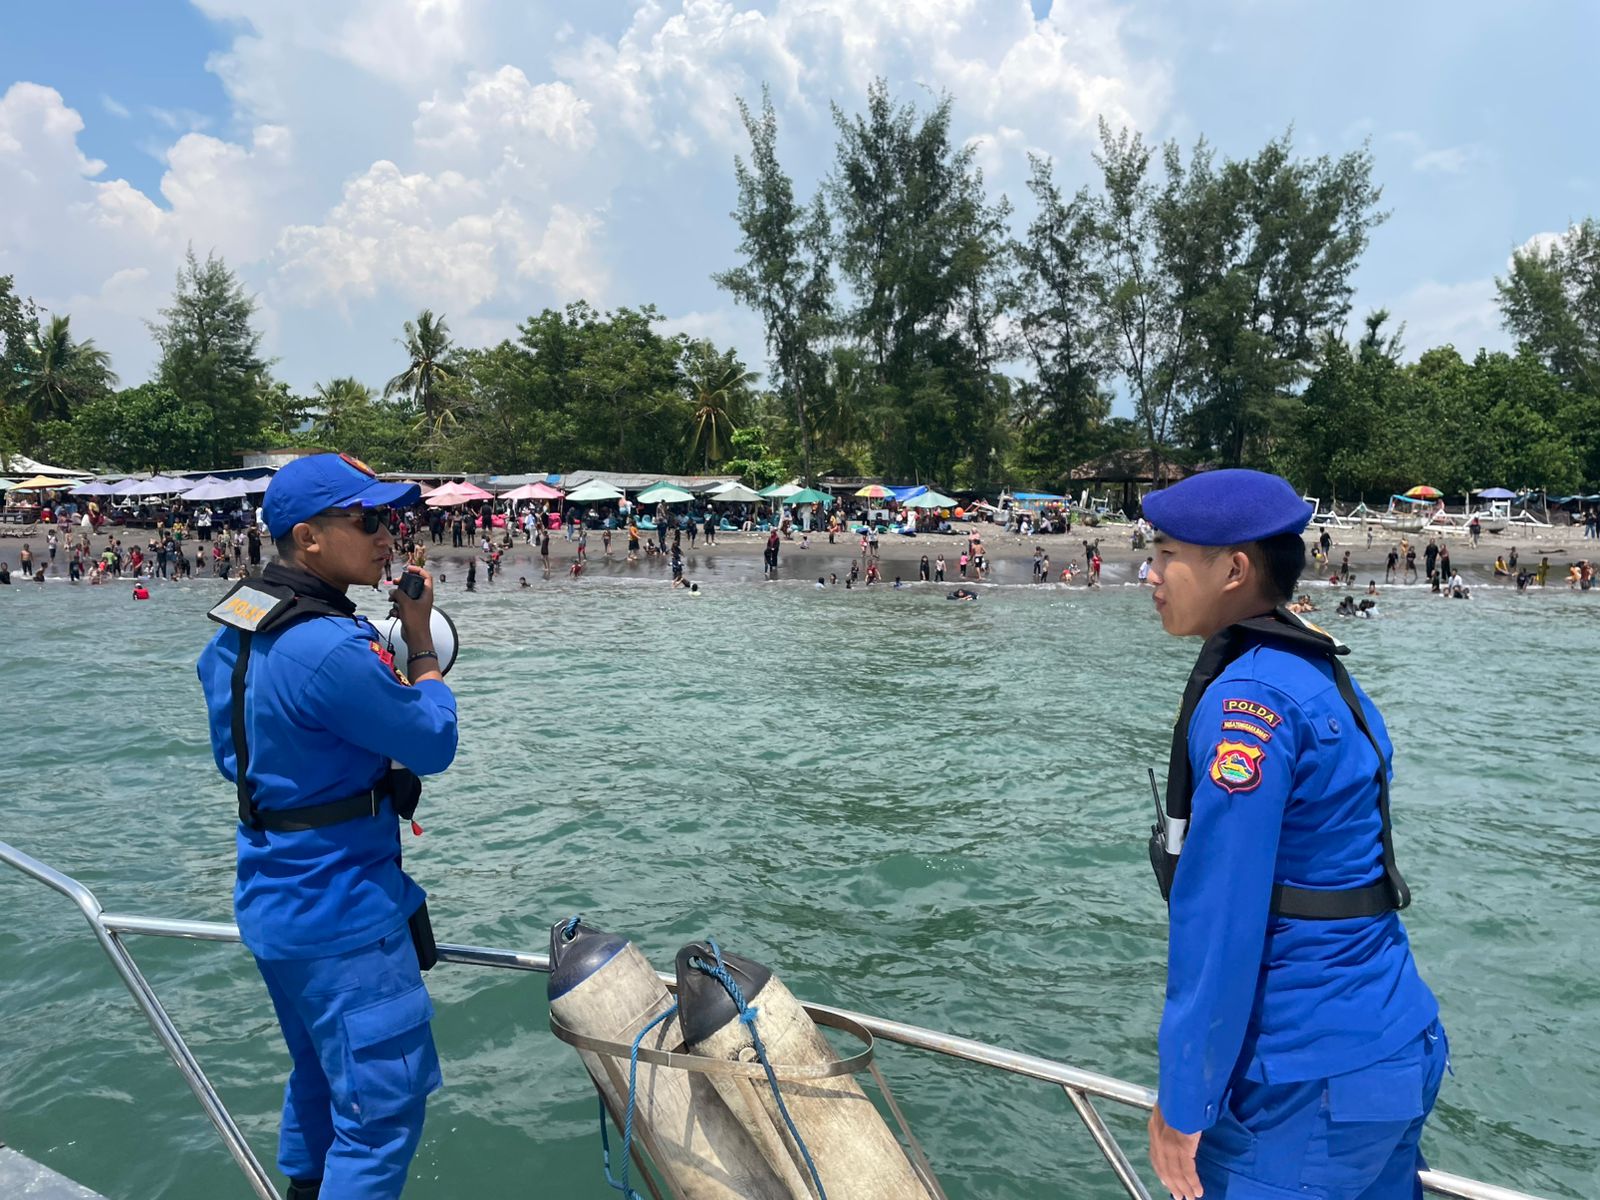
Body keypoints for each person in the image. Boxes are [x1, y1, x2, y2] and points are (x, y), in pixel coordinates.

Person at [1140, 468, 1442, 1200]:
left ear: (1234, 569)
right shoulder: (1314, 667)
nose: (1148, 573)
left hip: (1300, 1086)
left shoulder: (1251, 700)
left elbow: (1222, 917)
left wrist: (1185, 1101)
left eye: (1167, 552)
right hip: (1392, 1047)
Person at [195, 454, 457, 1200]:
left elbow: (235, 753)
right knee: (379, 1118)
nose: (388, 535)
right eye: (369, 520)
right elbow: (433, 741)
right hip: (344, 916)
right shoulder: (332, 648)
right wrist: (422, 649)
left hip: (276, 902)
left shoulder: (240, 622)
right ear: (309, 538)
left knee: (318, 1081)